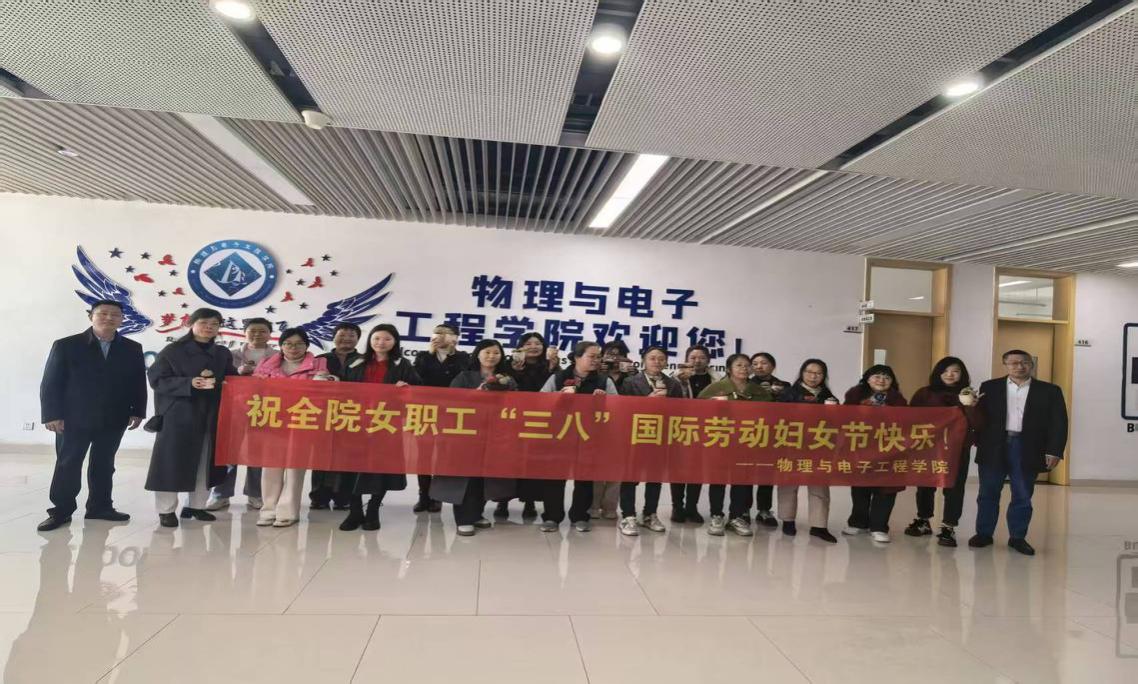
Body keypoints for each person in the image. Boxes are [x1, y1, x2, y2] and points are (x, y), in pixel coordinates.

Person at [37, 299, 147, 531]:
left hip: (114, 416)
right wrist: (51, 414)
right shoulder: (67, 345)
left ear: (122, 320)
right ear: (91, 316)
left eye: (115, 315)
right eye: (103, 313)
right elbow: (51, 382)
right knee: (68, 463)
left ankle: (100, 507)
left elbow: (138, 382)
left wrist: (138, 410)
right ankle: (61, 511)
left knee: (104, 464)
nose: (109, 318)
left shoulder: (132, 348)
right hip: (73, 417)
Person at [969, 350, 1067, 556]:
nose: (1019, 367)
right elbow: (980, 419)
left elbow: (1059, 423)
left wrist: (1054, 451)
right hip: (994, 446)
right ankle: (984, 534)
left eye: (1024, 362)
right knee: (988, 492)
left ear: (1031, 364)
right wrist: (972, 407)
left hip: (1027, 446)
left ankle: (1017, 537)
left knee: (1022, 494)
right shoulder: (989, 387)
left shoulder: (1049, 390)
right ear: (1005, 365)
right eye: (1013, 363)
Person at [145, 308, 237, 528]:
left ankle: (196, 506)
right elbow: (157, 379)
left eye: (214, 324)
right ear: (191, 324)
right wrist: (188, 383)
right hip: (179, 414)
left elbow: (232, 377)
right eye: (204, 322)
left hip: (212, 414)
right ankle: (166, 510)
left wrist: (235, 379)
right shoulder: (173, 350)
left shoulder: (221, 353)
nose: (209, 327)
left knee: (205, 461)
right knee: (171, 462)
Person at [337, 324, 421, 531]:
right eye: (376, 338)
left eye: (386, 339)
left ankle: (373, 510)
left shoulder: (403, 364)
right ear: (370, 340)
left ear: (395, 342)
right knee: (352, 468)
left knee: (380, 468)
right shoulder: (355, 362)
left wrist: (407, 388)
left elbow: (418, 390)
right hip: (355, 423)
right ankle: (355, 511)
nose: (381, 343)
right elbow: (341, 388)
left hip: (385, 425)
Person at [252, 327, 336, 527]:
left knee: (294, 469)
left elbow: (327, 389)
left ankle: (288, 512)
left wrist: (329, 381)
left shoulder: (319, 363)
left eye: (299, 343)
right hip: (272, 421)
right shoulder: (266, 364)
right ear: (281, 346)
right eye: (288, 343)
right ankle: (268, 510)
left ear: (306, 345)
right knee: (270, 468)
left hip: (302, 421)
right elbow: (253, 390)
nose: (293, 347)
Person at [435, 339, 518, 535]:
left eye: (496, 352)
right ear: (478, 354)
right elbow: (451, 402)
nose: (491, 356)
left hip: (495, 435)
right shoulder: (464, 376)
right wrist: (476, 394)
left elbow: (516, 404)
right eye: (487, 352)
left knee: (486, 478)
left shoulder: (508, 379)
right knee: (466, 478)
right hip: (466, 435)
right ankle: (463, 518)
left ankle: (477, 513)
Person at [537, 340, 618, 533]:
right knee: (554, 478)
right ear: (576, 357)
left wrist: (604, 402)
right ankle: (552, 517)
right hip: (560, 435)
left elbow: (617, 408)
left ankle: (580, 516)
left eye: (598, 357)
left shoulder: (604, 381)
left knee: (585, 478)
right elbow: (540, 402)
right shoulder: (558, 377)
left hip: (589, 436)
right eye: (592, 356)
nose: (596, 360)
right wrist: (559, 395)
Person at [905, 357, 984, 547]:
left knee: (954, 487)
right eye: (945, 371)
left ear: (962, 374)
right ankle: (923, 520)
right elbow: (909, 418)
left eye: (955, 371)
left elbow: (979, 423)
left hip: (957, 448)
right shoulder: (924, 393)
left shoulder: (968, 394)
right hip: (928, 447)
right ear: (938, 373)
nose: (950, 374)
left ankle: (949, 526)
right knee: (925, 484)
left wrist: (970, 406)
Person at [698, 354, 774, 536]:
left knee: (741, 480)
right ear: (729, 369)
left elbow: (770, 414)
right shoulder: (716, 388)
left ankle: (736, 516)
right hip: (721, 440)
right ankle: (716, 515)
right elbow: (698, 409)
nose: (744, 369)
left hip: (747, 441)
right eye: (739, 365)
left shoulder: (759, 391)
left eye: (747, 365)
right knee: (718, 480)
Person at [205, 317, 273, 512]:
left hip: (265, 410)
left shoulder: (277, 356)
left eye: (262, 331)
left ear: (270, 334)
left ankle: (255, 495)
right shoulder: (231, 354)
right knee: (228, 453)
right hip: (234, 409)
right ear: (245, 333)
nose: (257, 334)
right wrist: (238, 372)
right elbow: (220, 378)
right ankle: (220, 495)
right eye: (253, 330)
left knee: (257, 455)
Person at [617, 346, 683, 536]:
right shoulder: (630, 382)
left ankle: (650, 514)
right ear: (644, 361)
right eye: (652, 358)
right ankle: (628, 515)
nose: (657, 362)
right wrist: (647, 401)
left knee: (655, 477)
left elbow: (681, 411)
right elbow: (623, 409)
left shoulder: (673, 384)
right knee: (630, 477)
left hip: (661, 436)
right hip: (635, 435)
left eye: (661, 359)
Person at [776, 358, 839, 543]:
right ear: (802, 373)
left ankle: (819, 526)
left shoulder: (828, 396)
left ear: (824, 376)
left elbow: (837, 423)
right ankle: (788, 521)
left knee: (819, 485)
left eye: (818, 373)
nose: (813, 376)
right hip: (792, 444)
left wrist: (835, 411)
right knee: (789, 483)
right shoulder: (789, 393)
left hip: (819, 446)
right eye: (809, 372)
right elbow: (777, 418)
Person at [842, 365, 908, 543]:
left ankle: (879, 527)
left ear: (892, 382)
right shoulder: (855, 395)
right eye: (877, 376)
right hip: (861, 448)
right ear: (868, 378)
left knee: (886, 489)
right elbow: (844, 417)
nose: (881, 380)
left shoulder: (898, 399)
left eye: (886, 377)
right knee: (860, 487)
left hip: (889, 450)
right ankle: (858, 522)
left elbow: (905, 422)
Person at [498, 331, 559, 519]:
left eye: (537, 343)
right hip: (513, 419)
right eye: (528, 343)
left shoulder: (551, 365)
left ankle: (530, 502)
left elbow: (555, 389)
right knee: (509, 461)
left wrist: (552, 368)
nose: (533, 346)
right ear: (521, 346)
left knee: (533, 462)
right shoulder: (509, 364)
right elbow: (504, 388)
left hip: (539, 420)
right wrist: (515, 371)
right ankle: (502, 501)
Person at [412, 322, 470, 513]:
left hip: (451, 412)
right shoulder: (423, 357)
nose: (439, 337)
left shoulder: (463, 357)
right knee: (424, 454)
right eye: (436, 333)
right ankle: (423, 495)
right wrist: (430, 354)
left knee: (443, 455)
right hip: (426, 411)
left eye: (445, 334)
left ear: (454, 337)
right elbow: (416, 379)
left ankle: (437, 496)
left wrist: (451, 352)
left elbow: (464, 378)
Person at [310, 322, 362, 511]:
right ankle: (319, 497)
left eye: (351, 335)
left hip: (353, 414)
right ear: (333, 337)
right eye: (342, 335)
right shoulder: (320, 359)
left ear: (358, 339)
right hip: (323, 414)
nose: (346, 339)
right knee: (321, 456)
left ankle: (344, 497)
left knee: (348, 457)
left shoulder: (365, 360)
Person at [669, 344, 719, 522]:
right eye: (693, 357)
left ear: (708, 360)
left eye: (702, 357)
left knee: (697, 469)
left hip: (706, 429)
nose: (697, 361)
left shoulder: (717, 380)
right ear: (686, 360)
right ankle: (677, 507)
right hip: (681, 428)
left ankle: (692, 507)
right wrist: (680, 381)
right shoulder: (675, 377)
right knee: (678, 469)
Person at [748, 351, 786, 528]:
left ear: (773, 366)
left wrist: (777, 395)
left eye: (763, 363)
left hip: (772, 435)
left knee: (767, 473)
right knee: (746, 473)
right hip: (749, 434)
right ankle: (743, 510)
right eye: (755, 363)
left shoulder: (784, 386)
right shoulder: (745, 384)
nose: (759, 366)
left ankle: (764, 510)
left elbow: (791, 409)